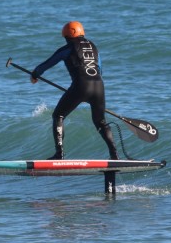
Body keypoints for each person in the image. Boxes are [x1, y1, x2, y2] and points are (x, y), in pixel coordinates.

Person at [30, 21, 119, 160]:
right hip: (99, 86)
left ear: (68, 35)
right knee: (101, 122)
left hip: (81, 85)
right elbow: (100, 69)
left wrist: (35, 74)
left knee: (58, 116)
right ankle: (114, 155)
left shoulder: (69, 47)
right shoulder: (94, 47)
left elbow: (50, 62)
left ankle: (59, 154)